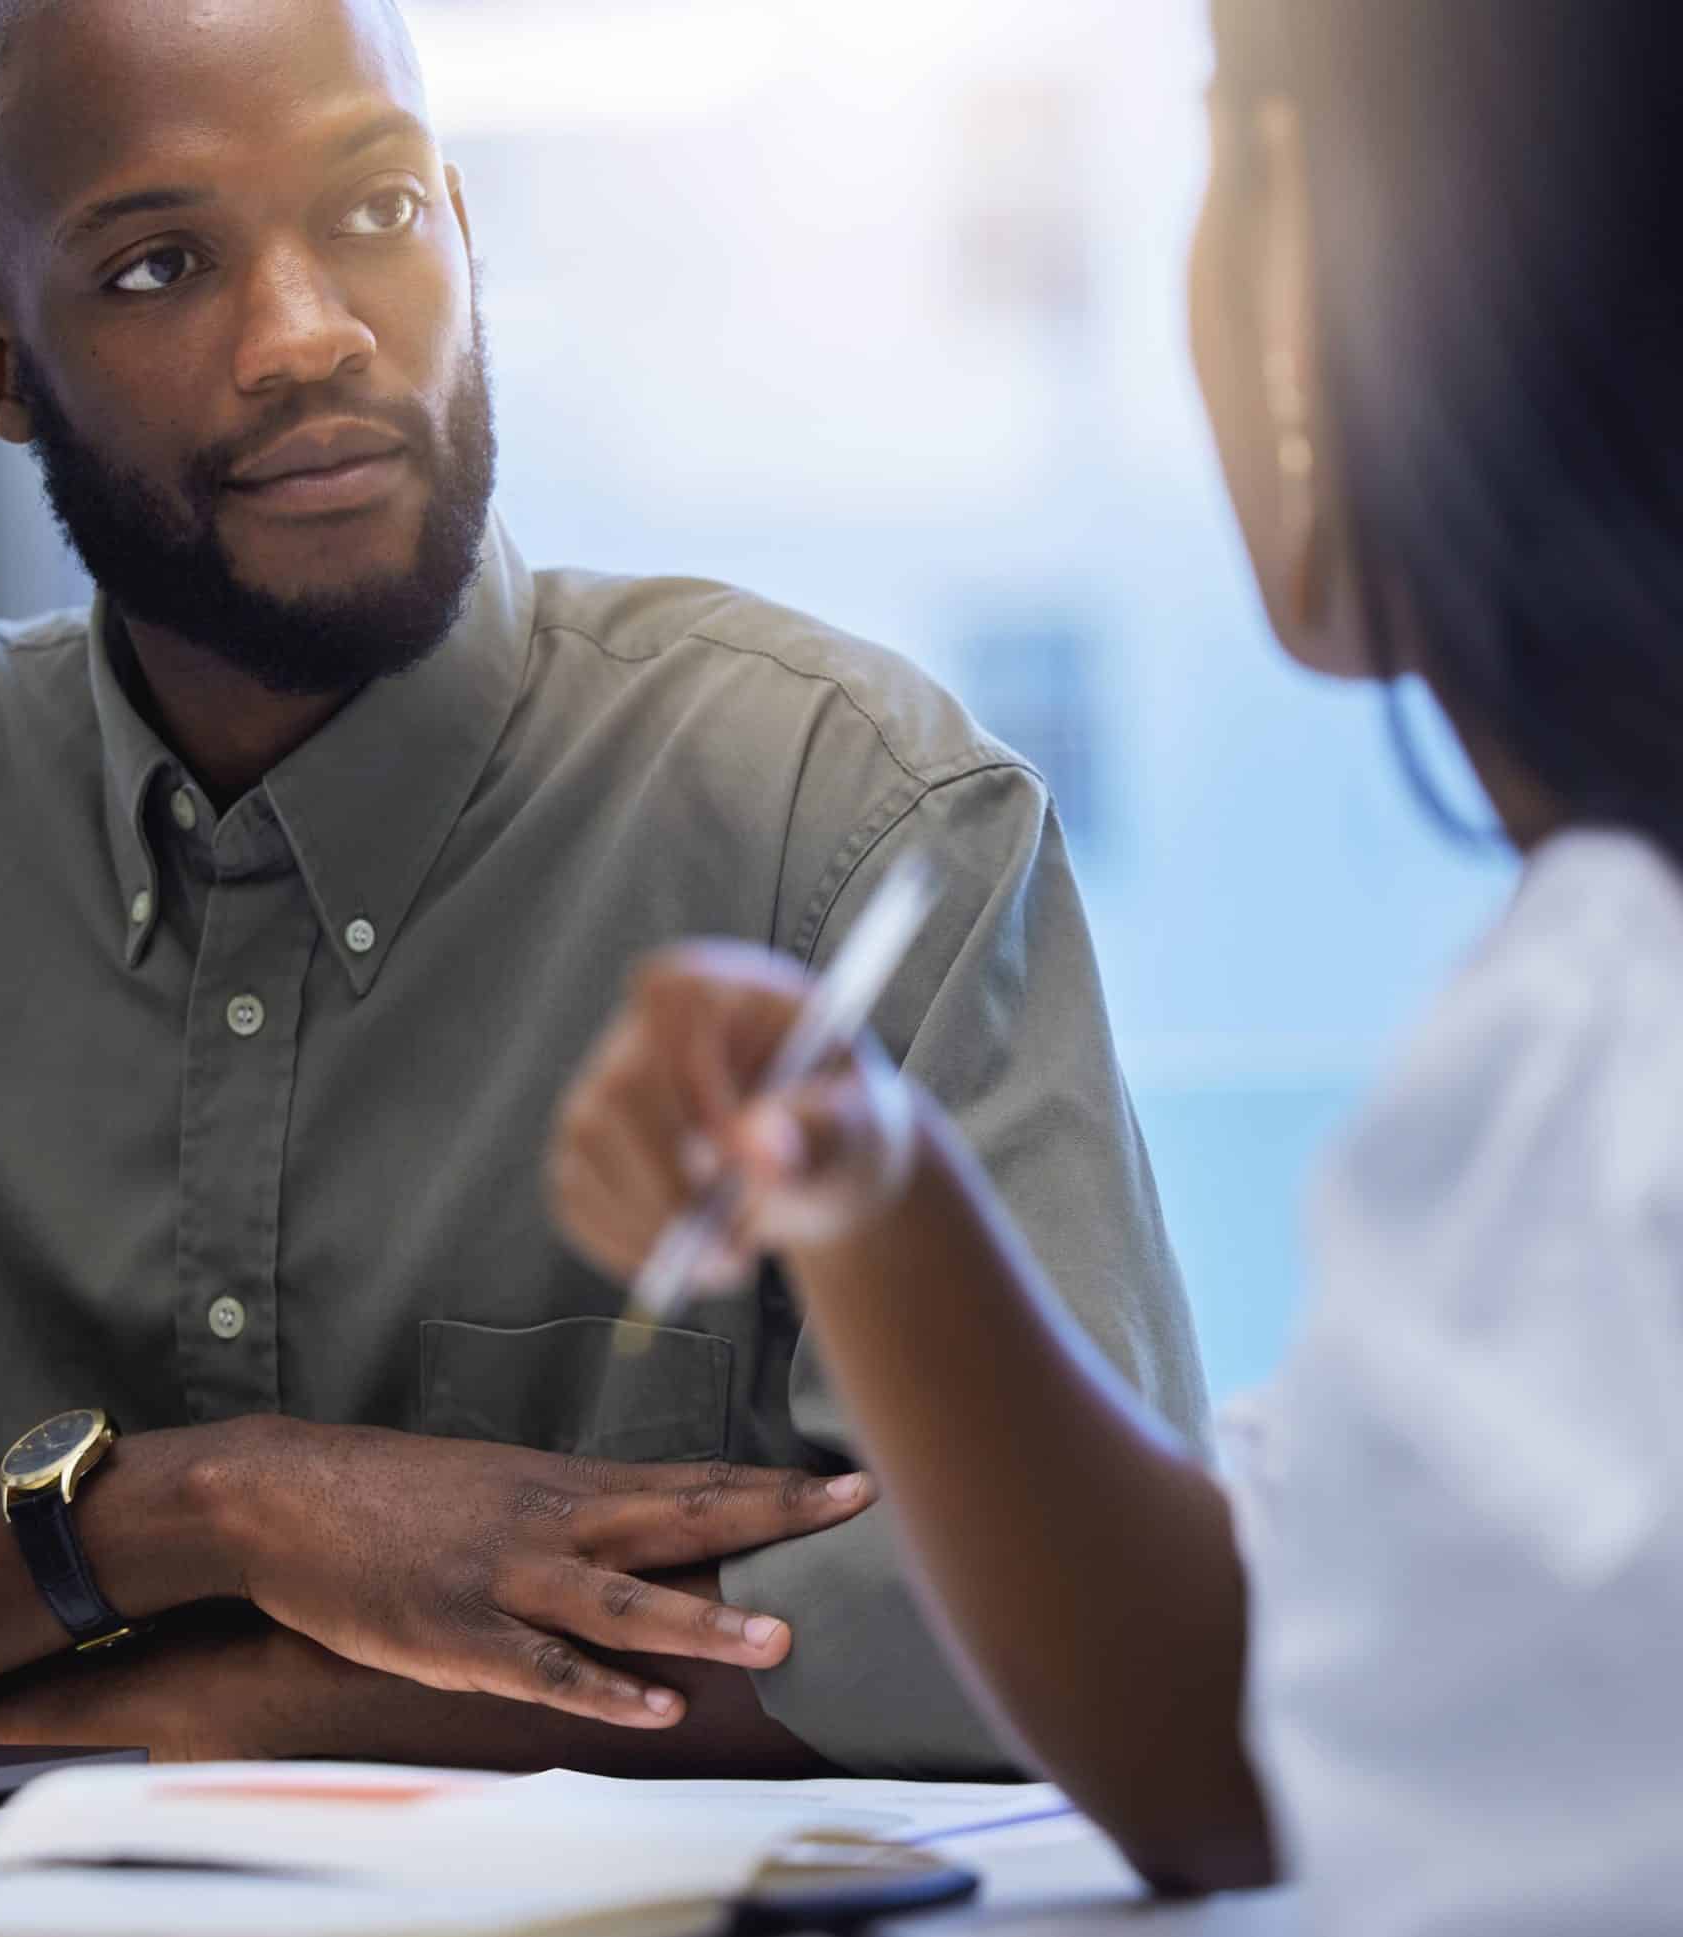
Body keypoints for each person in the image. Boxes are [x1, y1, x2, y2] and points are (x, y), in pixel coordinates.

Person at [0, 0, 1205, 1774]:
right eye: (159, 268)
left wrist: (274, 1696)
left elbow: (1055, 1629)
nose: (307, 335)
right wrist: (217, 1508)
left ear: (463, 222)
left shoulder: (851, 816)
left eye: (373, 213)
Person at [551, 0, 1683, 1918]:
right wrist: (877, 1180)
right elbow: (1252, 1722)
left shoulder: (1611, 1050)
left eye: (1226, 140)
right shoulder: (1590, 997)